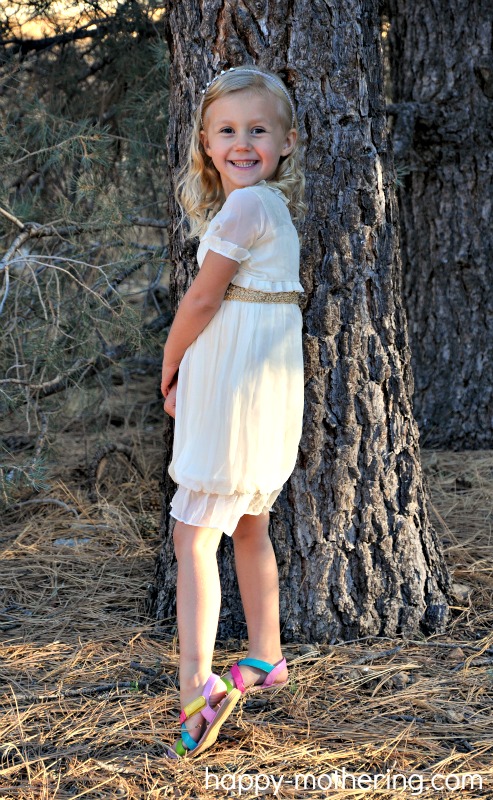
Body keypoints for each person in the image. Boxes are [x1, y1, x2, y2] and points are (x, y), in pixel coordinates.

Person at [161, 65, 306, 758]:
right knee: (248, 522)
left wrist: (169, 364)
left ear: (285, 142)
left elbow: (199, 300)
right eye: (227, 130)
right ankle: (265, 653)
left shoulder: (246, 206)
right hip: (265, 386)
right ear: (206, 143)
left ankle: (196, 685)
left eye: (257, 130)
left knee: (193, 536)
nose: (242, 142)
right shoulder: (268, 208)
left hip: (234, 385)